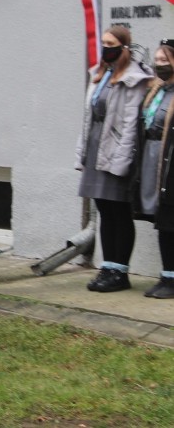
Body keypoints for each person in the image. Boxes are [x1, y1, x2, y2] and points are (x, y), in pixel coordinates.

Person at [76, 25, 154, 293]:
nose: (105, 48)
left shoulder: (135, 79)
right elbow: (88, 119)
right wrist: (82, 153)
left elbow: (131, 125)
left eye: (110, 43)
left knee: (119, 212)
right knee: (104, 211)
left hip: (117, 153)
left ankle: (120, 272)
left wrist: (121, 162)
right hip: (96, 149)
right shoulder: (100, 75)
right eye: (103, 43)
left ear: (123, 47)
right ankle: (107, 268)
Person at [134, 39, 174, 299]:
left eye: (164, 61)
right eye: (157, 61)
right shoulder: (158, 90)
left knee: (170, 222)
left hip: (170, 162)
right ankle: (167, 275)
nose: (159, 65)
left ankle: (171, 279)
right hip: (153, 160)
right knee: (162, 222)